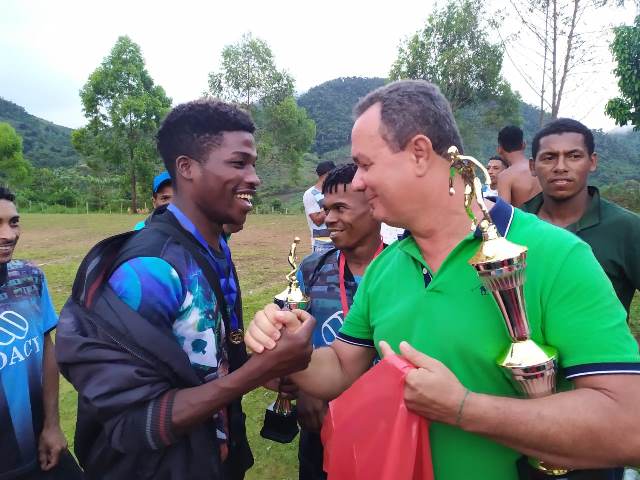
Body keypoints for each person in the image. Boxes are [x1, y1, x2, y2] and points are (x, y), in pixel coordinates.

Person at [245, 80, 640, 480]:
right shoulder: (387, 267)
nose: (358, 181)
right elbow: (340, 367)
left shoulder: (555, 255)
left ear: (419, 153)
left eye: (366, 164)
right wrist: (287, 345)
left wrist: (464, 409)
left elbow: (628, 428)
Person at [56, 99, 314, 479]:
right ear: (186, 167)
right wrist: (260, 369)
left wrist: (268, 372)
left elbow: (206, 360)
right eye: (239, 163)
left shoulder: (213, 248)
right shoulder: (149, 270)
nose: (255, 177)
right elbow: (136, 422)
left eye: (253, 164)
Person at [295, 163, 384, 480]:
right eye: (326, 208)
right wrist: (304, 387)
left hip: (387, 424)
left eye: (340, 208)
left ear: (374, 207)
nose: (328, 218)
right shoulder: (311, 269)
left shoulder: (406, 269)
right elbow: (292, 341)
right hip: (322, 420)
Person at [0, 187, 82, 480]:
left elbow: (46, 346)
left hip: (40, 446)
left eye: (13, 222)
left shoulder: (30, 277)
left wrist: (52, 424)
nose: (8, 235)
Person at [522, 118, 640, 317]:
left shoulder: (627, 228)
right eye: (549, 157)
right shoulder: (512, 226)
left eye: (574, 156)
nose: (560, 167)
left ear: (592, 162)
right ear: (533, 166)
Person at [497, 125, 542, 207]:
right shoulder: (540, 167)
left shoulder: (505, 177)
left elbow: (504, 213)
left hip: (523, 219)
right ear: (523, 144)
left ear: (500, 149)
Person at [303, 161, 335, 253]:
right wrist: (332, 205)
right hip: (322, 244)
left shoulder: (333, 191)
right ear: (327, 174)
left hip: (337, 241)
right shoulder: (310, 194)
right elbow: (317, 220)